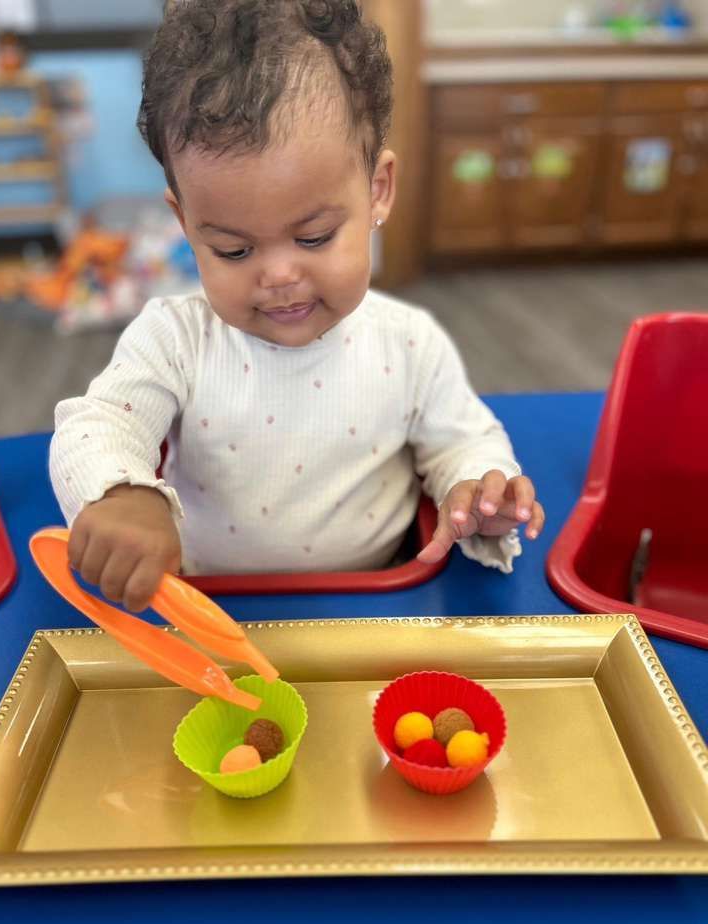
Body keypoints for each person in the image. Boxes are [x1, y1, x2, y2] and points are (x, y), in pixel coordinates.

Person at [50, 0, 545, 612]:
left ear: (376, 193)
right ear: (187, 224)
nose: (280, 276)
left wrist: (477, 491)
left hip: (376, 603)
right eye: (232, 249)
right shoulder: (175, 339)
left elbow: (461, 443)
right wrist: (120, 493)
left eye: (313, 238)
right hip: (215, 610)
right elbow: (98, 425)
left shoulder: (410, 343)